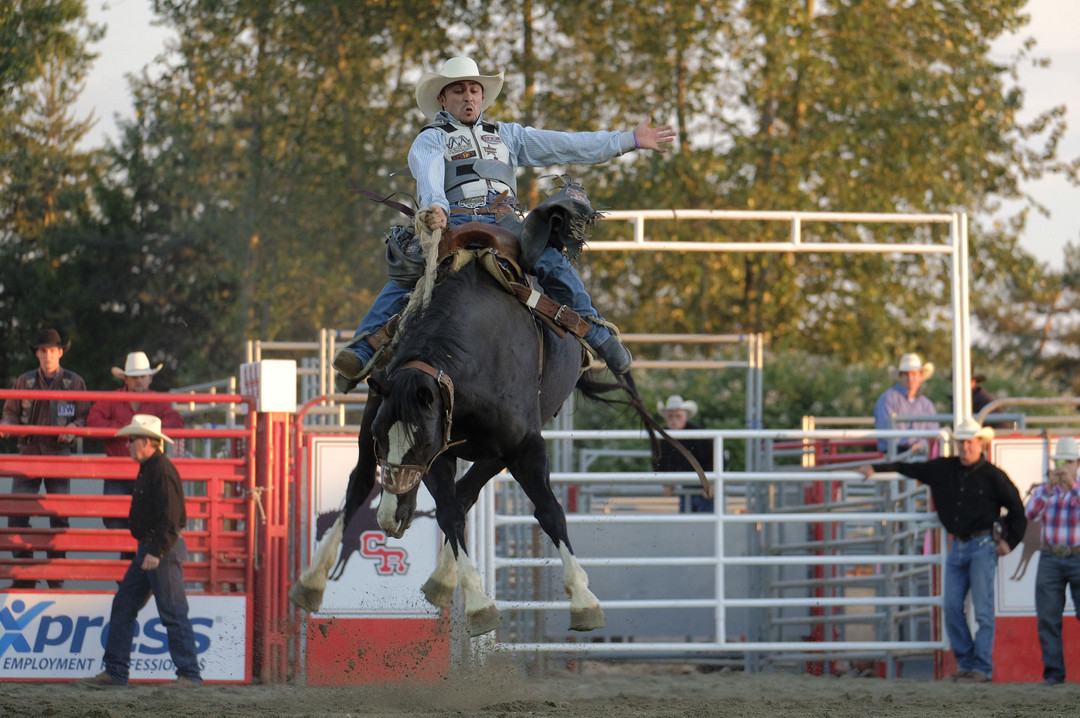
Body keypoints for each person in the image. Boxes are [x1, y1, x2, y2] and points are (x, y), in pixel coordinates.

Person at [333, 56, 676, 390]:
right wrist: (436, 209)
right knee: (410, 269)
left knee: (553, 262)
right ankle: (362, 348)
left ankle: (597, 332)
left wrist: (629, 139)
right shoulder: (431, 138)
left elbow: (569, 145)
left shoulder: (509, 136)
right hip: (453, 220)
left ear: (482, 95)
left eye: (473, 89)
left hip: (506, 221)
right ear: (443, 98)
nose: (467, 96)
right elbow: (429, 176)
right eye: (458, 91)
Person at [858, 418, 1026, 683]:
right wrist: (877, 467)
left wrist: (1010, 540)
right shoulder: (944, 468)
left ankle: (980, 668)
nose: (966, 447)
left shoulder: (993, 476)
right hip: (959, 545)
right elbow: (909, 468)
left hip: (981, 545)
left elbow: (1018, 510)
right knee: (951, 607)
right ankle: (970, 664)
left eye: (970, 442)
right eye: (962, 442)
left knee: (981, 610)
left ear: (980, 443)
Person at [76, 415, 203, 689]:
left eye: (132, 440)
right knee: (128, 605)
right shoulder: (154, 467)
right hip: (153, 549)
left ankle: (189, 674)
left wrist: (156, 550)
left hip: (159, 550)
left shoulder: (159, 469)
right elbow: (173, 516)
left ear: (146, 442)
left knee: (170, 611)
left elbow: (172, 516)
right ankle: (117, 670)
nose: (128, 445)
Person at [1, 328, 90, 589]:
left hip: (58, 453)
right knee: (16, 514)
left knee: (59, 515)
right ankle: (26, 571)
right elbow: (10, 411)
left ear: (60, 352)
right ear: (37, 354)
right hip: (28, 453)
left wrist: (73, 430)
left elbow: (84, 416)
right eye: (42, 350)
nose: (47, 355)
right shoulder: (23, 381)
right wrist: (8, 425)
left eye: (51, 350)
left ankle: (56, 574)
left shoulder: (75, 382)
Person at [88, 351, 185, 549]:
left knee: (144, 521)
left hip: (145, 472)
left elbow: (176, 421)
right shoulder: (113, 399)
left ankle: (134, 566)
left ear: (150, 378)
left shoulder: (157, 400)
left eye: (143, 376)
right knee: (116, 523)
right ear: (126, 379)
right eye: (134, 377)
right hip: (119, 472)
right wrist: (136, 428)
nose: (139, 381)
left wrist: (129, 428)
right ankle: (134, 565)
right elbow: (93, 422)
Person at [1024, 435, 1080, 686]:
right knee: (1047, 617)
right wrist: (1048, 488)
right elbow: (1029, 513)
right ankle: (1054, 675)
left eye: (1070, 461)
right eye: (1062, 461)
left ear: (1077, 464)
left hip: (1077, 555)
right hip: (1050, 556)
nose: (1065, 466)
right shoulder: (1046, 490)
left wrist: (1073, 487)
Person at [654, 395, 715, 512]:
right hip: (683, 488)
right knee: (686, 524)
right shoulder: (662, 438)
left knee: (705, 524)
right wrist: (667, 483)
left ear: (685, 417)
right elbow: (659, 462)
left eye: (678, 416)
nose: (674, 420)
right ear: (666, 418)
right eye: (670, 416)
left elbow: (715, 459)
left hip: (704, 490)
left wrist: (713, 484)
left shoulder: (699, 434)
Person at [873, 352, 939, 455]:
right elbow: (886, 432)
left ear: (920, 376)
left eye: (914, 374)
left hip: (920, 456)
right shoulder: (887, 399)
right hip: (893, 455)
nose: (910, 378)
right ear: (900, 376)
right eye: (906, 374)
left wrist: (920, 445)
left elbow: (933, 434)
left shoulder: (927, 404)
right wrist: (914, 445)